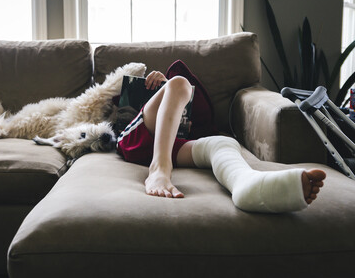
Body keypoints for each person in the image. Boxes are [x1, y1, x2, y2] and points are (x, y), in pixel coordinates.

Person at [117, 70, 326, 213]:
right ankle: (159, 168)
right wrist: (164, 85)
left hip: (174, 144)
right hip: (136, 137)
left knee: (222, 143)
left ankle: (247, 185)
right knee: (180, 83)